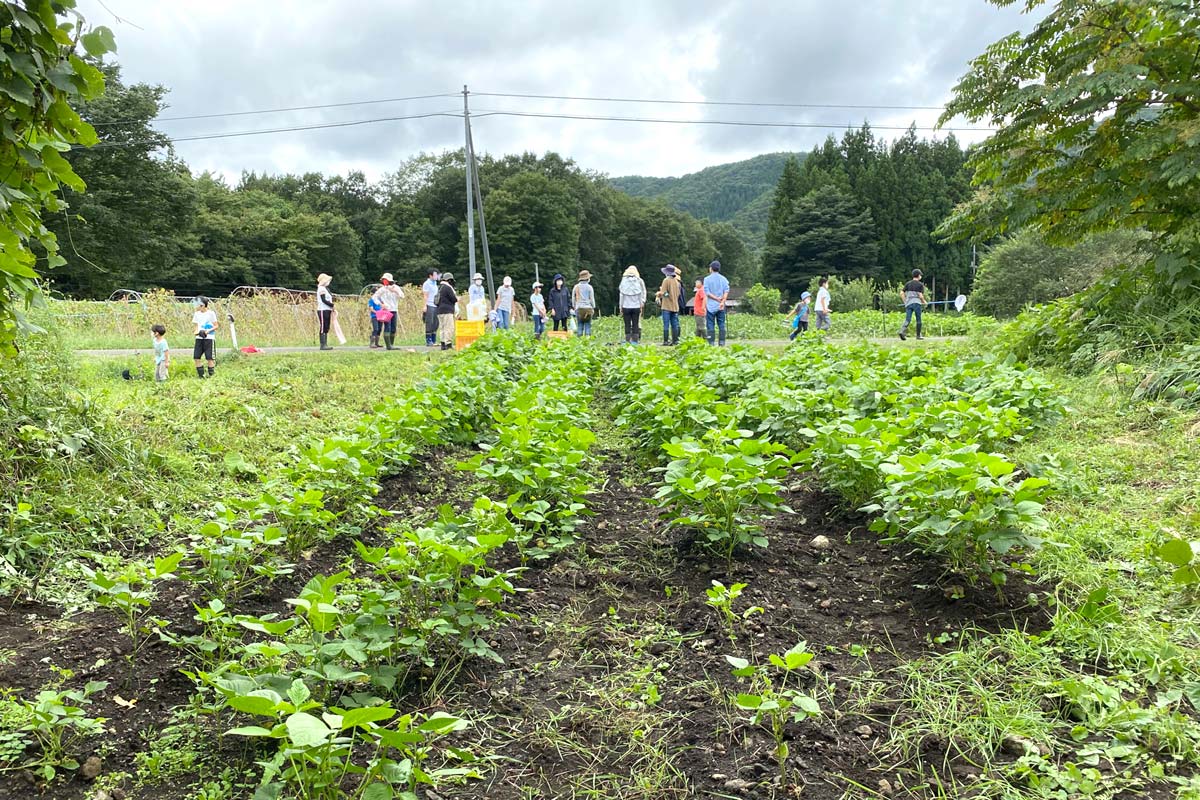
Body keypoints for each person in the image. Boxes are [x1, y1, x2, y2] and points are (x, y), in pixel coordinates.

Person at [371, 273, 405, 350]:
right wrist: (381, 304)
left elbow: (402, 296)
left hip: (394, 310)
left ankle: (391, 344)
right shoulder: (382, 289)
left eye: (385, 280)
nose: (384, 281)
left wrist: (395, 291)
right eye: (383, 280)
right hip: (386, 310)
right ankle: (388, 346)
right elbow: (374, 297)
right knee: (387, 327)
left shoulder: (396, 287)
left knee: (393, 328)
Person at [702, 260, 730, 346]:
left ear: (711, 268)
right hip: (721, 306)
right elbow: (726, 290)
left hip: (710, 306)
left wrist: (716, 299)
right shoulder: (724, 279)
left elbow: (707, 293)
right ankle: (722, 342)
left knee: (710, 324)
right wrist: (722, 301)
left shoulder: (706, 279)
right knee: (721, 323)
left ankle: (711, 343)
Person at [617, 265, 647, 345]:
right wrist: (641, 304)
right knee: (635, 324)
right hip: (636, 306)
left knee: (627, 324)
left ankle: (627, 341)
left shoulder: (623, 282)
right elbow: (640, 295)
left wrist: (620, 307)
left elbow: (621, 296)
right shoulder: (639, 281)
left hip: (626, 306)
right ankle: (635, 341)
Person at [655, 264, 683, 346]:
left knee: (666, 324)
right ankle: (675, 340)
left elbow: (664, 293)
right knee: (674, 324)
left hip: (667, 306)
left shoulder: (666, 280)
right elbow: (678, 294)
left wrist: (658, 294)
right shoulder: (677, 282)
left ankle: (666, 341)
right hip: (675, 306)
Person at [191, 296, 218, 378]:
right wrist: (196, 332)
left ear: (202, 305)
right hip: (199, 338)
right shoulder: (196, 314)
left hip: (209, 338)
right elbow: (196, 326)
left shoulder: (211, 313)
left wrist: (208, 331)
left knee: (209, 358)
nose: (196, 306)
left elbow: (216, 326)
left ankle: (211, 376)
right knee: (196, 357)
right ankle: (201, 376)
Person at [899, 268, 927, 341]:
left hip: (908, 303)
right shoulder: (920, 285)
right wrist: (924, 301)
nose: (921, 276)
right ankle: (918, 335)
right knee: (918, 319)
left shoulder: (908, 283)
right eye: (920, 275)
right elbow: (920, 295)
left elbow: (901, 293)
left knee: (908, 319)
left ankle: (902, 331)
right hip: (917, 303)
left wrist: (905, 301)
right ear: (918, 275)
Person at [436, 272, 459, 350]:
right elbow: (454, 299)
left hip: (439, 311)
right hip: (447, 310)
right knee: (449, 327)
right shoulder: (447, 288)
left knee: (442, 327)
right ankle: (448, 344)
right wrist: (457, 299)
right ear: (449, 280)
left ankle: (442, 344)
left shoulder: (440, 287)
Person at [572, 270, 596, 337]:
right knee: (588, 325)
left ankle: (579, 340)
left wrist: (574, 306)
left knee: (580, 325)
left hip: (579, 308)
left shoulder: (576, 287)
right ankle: (587, 339)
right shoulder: (589, 287)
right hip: (588, 308)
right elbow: (592, 299)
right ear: (587, 279)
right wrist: (593, 307)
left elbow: (573, 298)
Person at [421, 268, 440, 347]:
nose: (436, 276)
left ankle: (434, 339)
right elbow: (425, 295)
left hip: (436, 305)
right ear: (430, 276)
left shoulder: (435, 283)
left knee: (436, 323)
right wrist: (425, 305)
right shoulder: (427, 283)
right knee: (429, 322)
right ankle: (428, 340)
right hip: (429, 304)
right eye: (435, 275)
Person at [316, 273, 335, 350]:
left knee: (327, 326)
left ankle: (325, 343)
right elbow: (324, 300)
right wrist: (332, 305)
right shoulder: (321, 289)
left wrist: (331, 307)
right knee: (323, 326)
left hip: (327, 309)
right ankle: (322, 344)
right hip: (322, 309)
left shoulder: (326, 289)